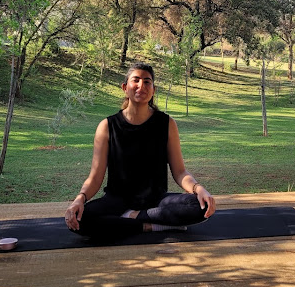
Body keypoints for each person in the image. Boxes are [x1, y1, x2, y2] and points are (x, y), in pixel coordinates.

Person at [64, 62, 216, 238]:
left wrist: (199, 189)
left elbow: (180, 172)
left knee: (199, 206)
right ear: (124, 87)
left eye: (147, 82)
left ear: (153, 90)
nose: (141, 86)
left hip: (156, 201)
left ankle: (132, 220)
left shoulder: (166, 124)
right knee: (77, 219)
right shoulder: (107, 126)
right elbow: (95, 177)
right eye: (135, 80)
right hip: (117, 200)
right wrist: (79, 199)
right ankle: (152, 226)